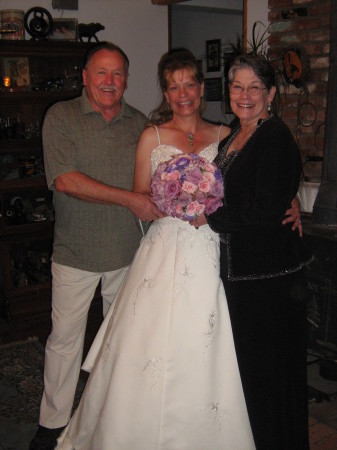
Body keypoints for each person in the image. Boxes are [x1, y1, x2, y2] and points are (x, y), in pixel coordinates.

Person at [55, 47, 256, 449]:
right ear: (165, 94)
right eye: (172, 87)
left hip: (209, 245)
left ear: (201, 88)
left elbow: (247, 192)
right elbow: (140, 197)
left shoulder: (224, 135)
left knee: (204, 333)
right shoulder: (152, 136)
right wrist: (173, 199)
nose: (182, 94)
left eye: (189, 84)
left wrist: (286, 202)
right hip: (164, 246)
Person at [29, 42, 162, 450]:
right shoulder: (61, 117)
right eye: (101, 72)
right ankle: (52, 424)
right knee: (65, 342)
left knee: (117, 343)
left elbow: (158, 184)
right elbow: (66, 180)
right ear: (84, 77)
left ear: (126, 80)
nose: (109, 81)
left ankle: (109, 416)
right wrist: (129, 199)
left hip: (127, 254)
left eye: (118, 73)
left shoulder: (141, 125)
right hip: (75, 253)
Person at [205, 54, 312, 449]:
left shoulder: (275, 136)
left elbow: (265, 211)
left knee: (272, 377)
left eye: (255, 87)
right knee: (251, 375)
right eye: (237, 86)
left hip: (269, 281)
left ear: (270, 93)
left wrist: (208, 217)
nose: (245, 95)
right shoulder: (236, 134)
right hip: (244, 276)